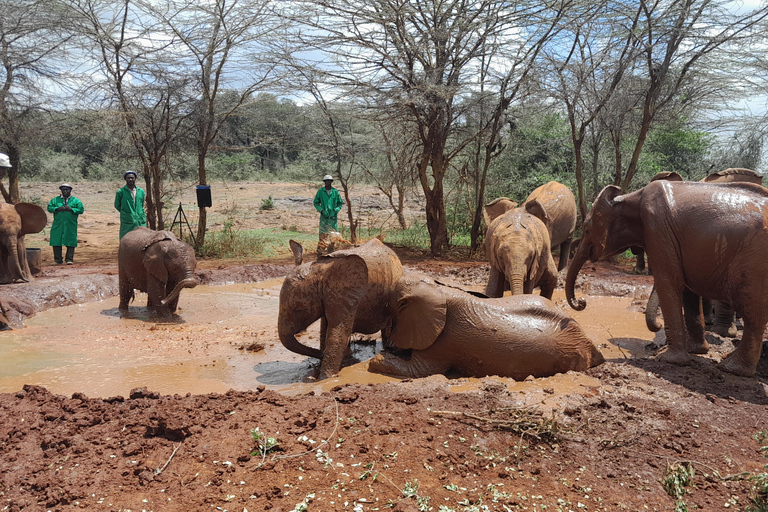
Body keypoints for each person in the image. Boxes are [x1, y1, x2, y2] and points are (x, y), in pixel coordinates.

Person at [47, 183, 85, 265]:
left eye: (67, 189)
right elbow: (49, 208)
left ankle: (69, 259)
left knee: (71, 240)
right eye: (63, 189)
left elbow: (81, 210)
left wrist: (71, 209)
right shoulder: (55, 200)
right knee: (56, 240)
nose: (65, 191)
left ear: (70, 190)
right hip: (58, 223)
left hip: (70, 224)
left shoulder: (76, 201)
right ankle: (57, 260)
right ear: (61, 190)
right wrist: (57, 208)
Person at [114, 171, 147, 239]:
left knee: (142, 239)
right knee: (126, 239)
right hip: (127, 220)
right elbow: (117, 205)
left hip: (140, 219)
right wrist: (126, 212)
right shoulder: (121, 191)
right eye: (128, 178)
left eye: (132, 178)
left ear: (135, 179)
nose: (130, 179)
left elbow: (141, 204)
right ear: (125, 179)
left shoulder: (141, 191)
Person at [313, 174, 343, 247]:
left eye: (329, 181)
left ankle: (331, 249)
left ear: (331, 182)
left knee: (333, 234)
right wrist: (322, 211)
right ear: (324, 182)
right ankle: (320, 250)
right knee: (323, 233)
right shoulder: (321, 191)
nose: (327, 182)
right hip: (324, 216)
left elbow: (340, 203)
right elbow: (316, 203)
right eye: (326, 181)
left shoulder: (335, 192)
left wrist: (335, 210)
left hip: (333, 217)